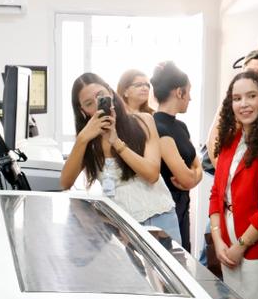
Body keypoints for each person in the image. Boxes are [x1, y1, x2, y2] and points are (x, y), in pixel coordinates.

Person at [59, 73, 182, 244]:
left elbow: (152, 174)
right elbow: (65, 183)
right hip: (120, 226)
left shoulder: (143, 121)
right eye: (89, 103)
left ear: (110, 92)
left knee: (170, 262)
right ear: (82, 111)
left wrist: (116, 141)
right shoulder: (88, 141)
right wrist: (82, 138)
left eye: (100, 96)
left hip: (159, 218)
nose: (97, 105)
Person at [208, 71, 258, 299]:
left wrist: (241, 245)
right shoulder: (230, 140)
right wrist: (218, 240)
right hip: (226, 242)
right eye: (237, 98)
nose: (244, 104)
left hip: (255, 247)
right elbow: (217, 193)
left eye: (251, 96)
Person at [151, 61, 203, 251]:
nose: (191, 98)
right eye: (189, 92)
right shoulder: (157, 127)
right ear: (179, 92)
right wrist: (193, 176)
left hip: (183, 207)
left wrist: (194, 175)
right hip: (165, 212)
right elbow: (188, 177)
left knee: (184, 257)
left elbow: (197, 168)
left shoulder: (181, 127)